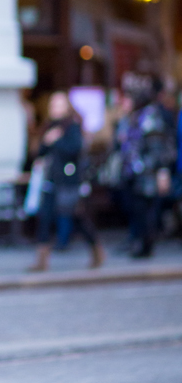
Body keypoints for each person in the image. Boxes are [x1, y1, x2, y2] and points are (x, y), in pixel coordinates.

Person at [29, 91, 104, 272]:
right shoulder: (49, 126)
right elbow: (40, 152)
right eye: (53, 105)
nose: (55, 108)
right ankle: (42, 260)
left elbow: (74, 149)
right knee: (45, 217)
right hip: (51, 180)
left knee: (75, 217)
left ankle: (96, 250)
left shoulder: (72, 126)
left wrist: (56, 141)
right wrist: (47, 142)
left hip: (68, 181)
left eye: (59, 104)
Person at [118, 77, 176, 258]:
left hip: (147, 173)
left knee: (146, 211)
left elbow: (157, 147)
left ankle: (146, 246)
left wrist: (161, 171)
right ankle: (139, 242)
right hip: (135, 172)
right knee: (137, 210)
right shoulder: (135, 117)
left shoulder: (150, 117)